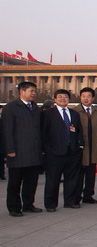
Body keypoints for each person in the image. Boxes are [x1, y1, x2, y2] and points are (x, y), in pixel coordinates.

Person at [3, 82, 43, 217]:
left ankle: (28, 204)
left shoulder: (36, 108)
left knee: (31, 181)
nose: (33, 93)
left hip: (33, 151)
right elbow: (7, 130)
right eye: (31, 91)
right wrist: (10, 148)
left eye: (34, 91)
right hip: (18, 152)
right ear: (22, 91)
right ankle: (14, 207)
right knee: (15, 182)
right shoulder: (11, 108)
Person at [73, 87, 97, 204]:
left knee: (91, 174)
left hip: (94, 147)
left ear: (93, 98)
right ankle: (76, 197)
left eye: (88, 96)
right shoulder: (75, 111)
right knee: (79, 174)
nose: (86, 99)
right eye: (83, 96)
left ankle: (88, 196)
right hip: (81, 149)